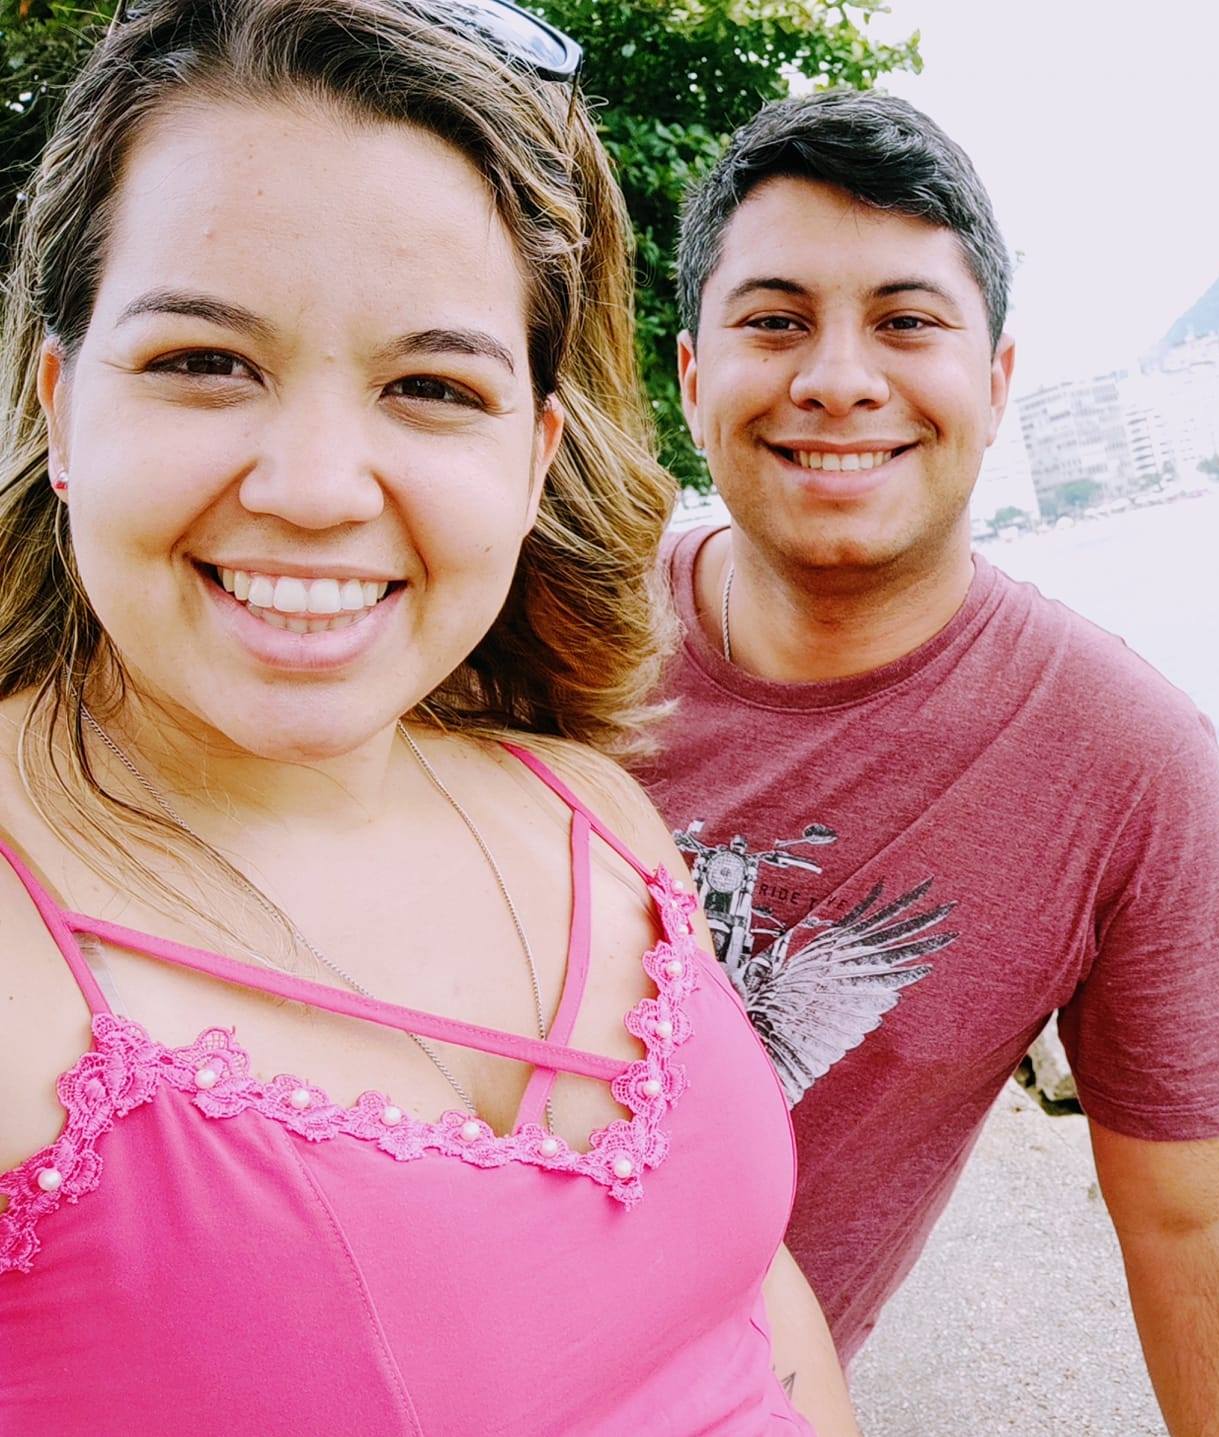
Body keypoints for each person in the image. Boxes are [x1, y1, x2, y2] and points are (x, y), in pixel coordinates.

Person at [0, 4, 857, 1433]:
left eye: (430, 386)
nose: (316, 486)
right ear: (62, 404)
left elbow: (749, 1299)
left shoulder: (588, 811)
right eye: (205, 362)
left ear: (532, 459)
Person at [643, 89, 1219, 1435]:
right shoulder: (546, 630)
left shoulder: (1128, 761)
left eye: (906, 321)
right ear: (694, 375)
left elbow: (1193, 1212)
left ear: (995, 383)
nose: (837, 378)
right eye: (775, 321)